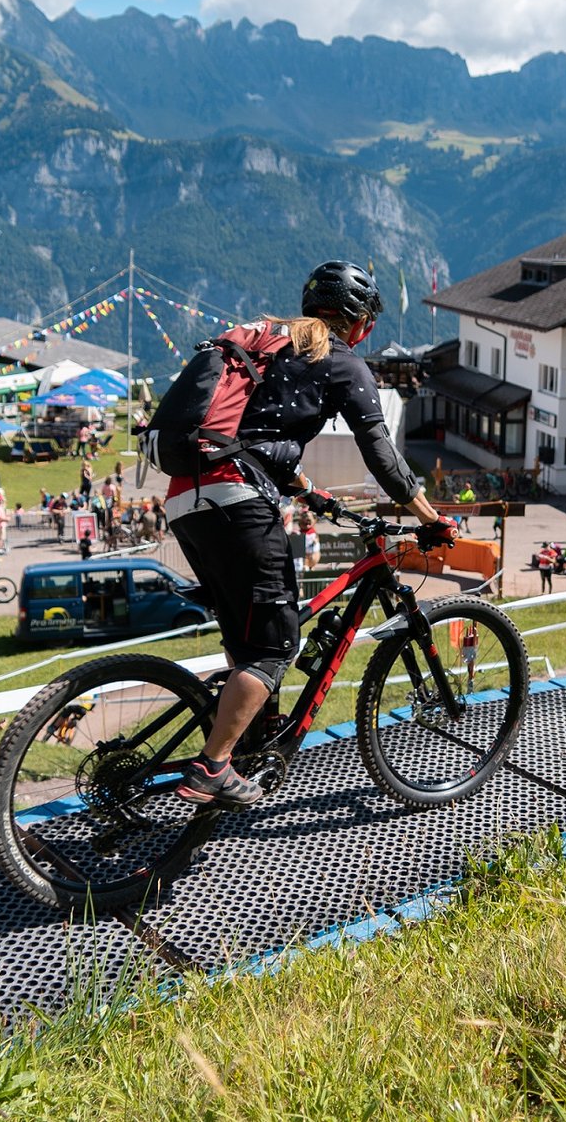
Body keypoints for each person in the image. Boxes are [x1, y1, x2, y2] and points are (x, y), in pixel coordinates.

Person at [164, 260, 453, 808]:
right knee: (277, 645)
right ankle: (211, 768)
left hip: (186, 495)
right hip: (237, 499)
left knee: (247, 640)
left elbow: (251, 433)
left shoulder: (269, 345)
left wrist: (310, 492)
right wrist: (429, 516)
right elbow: (383, 457)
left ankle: (250, 735)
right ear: (359, 322)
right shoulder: (339, 360)